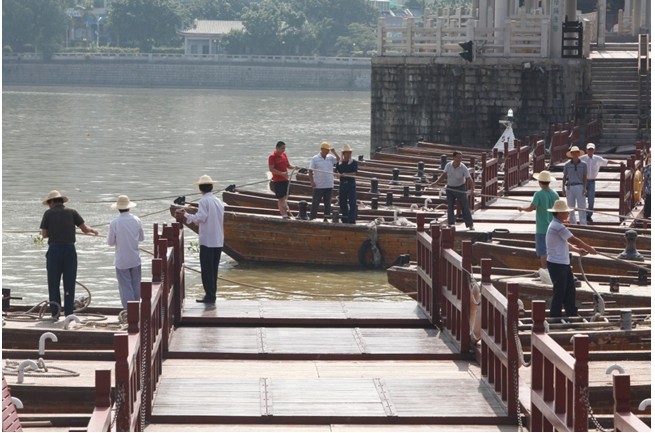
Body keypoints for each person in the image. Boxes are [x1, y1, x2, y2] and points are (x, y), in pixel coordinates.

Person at [40, 190, 99, 318]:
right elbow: (84, 229)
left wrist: (53, 231)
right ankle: (68, 314)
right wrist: (93, 230)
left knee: (53, 282)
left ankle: (55, 313)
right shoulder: (72, 212)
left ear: (52, 202)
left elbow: (44, 235)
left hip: (54, 250)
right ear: (62, 201)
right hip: (69, 250)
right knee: (69, 282)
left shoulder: (48, 214)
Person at [545, 199, 597, 318]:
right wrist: (589, 248)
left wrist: (578, 250)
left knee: (570, 290)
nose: (568, 214)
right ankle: (555, 316)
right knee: (560, 291)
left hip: (562, 263)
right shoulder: (557, 226)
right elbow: (573, 240)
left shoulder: (557, 225)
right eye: (565, 212)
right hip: (557, 264)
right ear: (559, 213)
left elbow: (565, 244)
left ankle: (571, 313)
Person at [178, 175, 225, 304]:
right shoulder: (218, 201)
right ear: (211, 187)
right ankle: (212, 294)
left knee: (207, 269)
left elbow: (201, 218)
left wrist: (186, 215)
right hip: (218, 239)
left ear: (200, 188)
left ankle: (209, 296)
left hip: (208, 240)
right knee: (213, 269)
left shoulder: (204, 201)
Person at [517, 170, 560, 281]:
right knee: (552, 250)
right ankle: (553, 272)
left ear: (540, 182)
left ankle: (545, 274)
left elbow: (531, 208)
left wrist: (521, 208)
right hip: (554, 226)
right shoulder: (555, 194)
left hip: (542, 228)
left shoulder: (538, 194)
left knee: (543, 251)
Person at [107, 195, 144, 309]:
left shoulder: (115, 222)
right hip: (134, 257)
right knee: (136, 284)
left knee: (125, 286)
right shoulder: (137, 220)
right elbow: (141, 238)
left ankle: (129, 312)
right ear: (129, 207)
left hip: (122, 259)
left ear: (118, 208)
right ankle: (137, 310)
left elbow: (110, 242)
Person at [430, 151, 474, 230]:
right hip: (450, 188)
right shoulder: (448, 165)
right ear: (453, 158)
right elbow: (443, 176)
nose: (459, 159)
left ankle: (470, 225)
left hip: (460, 188)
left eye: (460, 157)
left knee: (465, 206)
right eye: (457, 157)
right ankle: (451, 224)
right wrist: (436, 183)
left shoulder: (463, 167)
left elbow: (469, 179)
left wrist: (472, 190)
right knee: (450, 207)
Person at [579, 142, 618, 222]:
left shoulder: (597, 158)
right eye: (589, 149)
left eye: (592, 149)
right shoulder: (582, 158)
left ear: (594, 150)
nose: (590, 151)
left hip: (592, 181)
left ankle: (589, 215)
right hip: (583, 181)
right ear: (586, 150)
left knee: (591, 199)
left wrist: (618, 163)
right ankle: (583, 215)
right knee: (581, 199)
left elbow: (607, 162)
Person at [308, 141, 340, 220]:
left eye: (328, 150)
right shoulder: (315, 158)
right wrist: (312, 182)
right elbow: (310, 171)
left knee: (327, 203)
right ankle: (312, 218)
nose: (328, 151)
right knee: (315, 203)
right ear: (322, 149)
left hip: (329, 184)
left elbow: (339, 160)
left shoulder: (330, 157)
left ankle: (326, 218)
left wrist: (334, 152)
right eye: (326, 149)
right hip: (319, 185)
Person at [268, 140, 298, 218]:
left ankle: (285, 213)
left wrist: (295, 167)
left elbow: (288, 165)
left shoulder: (284, 155)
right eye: (282, 148)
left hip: (285, 180)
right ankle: (284, 215)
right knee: (281, 198)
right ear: (277, 148)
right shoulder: (272, 156)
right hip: (278, 181)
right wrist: (282, 173)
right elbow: (271, 169)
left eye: (284, 148)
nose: (283, 150)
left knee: (285, 198)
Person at [561, 145, 587, 225]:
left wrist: (585, 188)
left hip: (580, 185)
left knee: (581, 206)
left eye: (576, 153)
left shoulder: (584, 165)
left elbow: (585, 177)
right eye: (573, 153)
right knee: (570, 207)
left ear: (578, 154)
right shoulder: (567, 165)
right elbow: (564, 176)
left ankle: (583, 224)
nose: (575, 154)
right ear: (571, 154)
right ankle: (573, 224)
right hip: (570, 186)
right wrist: (563, 188)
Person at [335, 144, 358, 223]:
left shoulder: (354, 163)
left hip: (351, 184)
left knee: (352, 202)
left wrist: (345, 174)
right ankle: (345, 217)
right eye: (347, 153)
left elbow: (354, 173)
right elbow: (337, 174)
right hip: (343, 184)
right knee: (342, 202)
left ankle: (352, 219)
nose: (348, 155)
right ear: (343, 154)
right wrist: (338, 175)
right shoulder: (339, 164)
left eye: (350, 153)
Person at [643, 151, 651, 220]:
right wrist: (643, 192)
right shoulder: (647, 168)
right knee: (646, 213)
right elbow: (645, 181)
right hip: (649, 192)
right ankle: (644, 229)